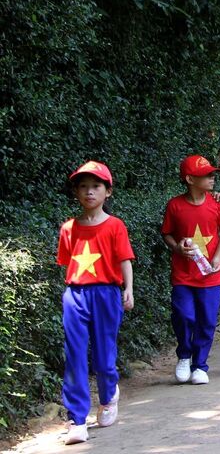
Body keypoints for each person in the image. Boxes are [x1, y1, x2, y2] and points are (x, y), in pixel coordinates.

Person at [59, 162, 135, 445]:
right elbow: (68, 263)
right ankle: (77, 419)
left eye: (96, 186)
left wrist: (128, 289)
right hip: (76, 294)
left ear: (108, 192)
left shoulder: (115, 225)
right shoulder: (68, 228)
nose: (89, 192)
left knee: (104, 356)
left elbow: (124, 259)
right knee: (75, 355)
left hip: (106, 293)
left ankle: (107, 396)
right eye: (83, 186)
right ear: (76, 192)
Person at [161, 155, 220, 385]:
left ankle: (200, 365)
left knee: (207, 320)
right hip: (183, 274)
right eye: (206, 175)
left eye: (213, 174)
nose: (212, 179)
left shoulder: (218, 203)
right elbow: (167, 234)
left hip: (211, 275)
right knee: (183, 316)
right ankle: (184, 355)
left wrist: (218, 257)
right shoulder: (175, 205)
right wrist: (176, 248)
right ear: (190, 179)